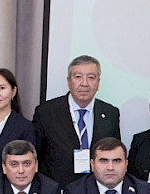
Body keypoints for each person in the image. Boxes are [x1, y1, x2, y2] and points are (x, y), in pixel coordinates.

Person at [33, 55, 122, 183]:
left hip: (96, 188)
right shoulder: (46, 112)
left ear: (98, 82)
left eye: (91, 77)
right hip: (57, 189)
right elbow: (36, 156)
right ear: (69, 81)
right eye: (78, 77)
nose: (84, 83)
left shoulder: (110, 113)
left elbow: (115, 154)